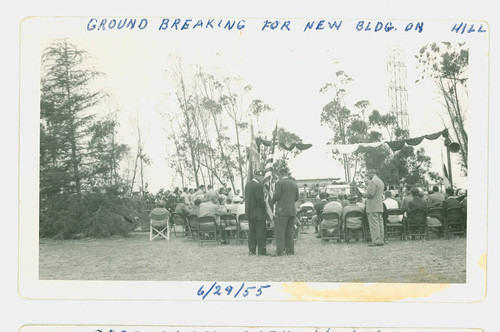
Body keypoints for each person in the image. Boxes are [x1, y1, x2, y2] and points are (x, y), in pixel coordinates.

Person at [272, 171, 299, 255]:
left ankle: (280, 250)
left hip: (281, 211)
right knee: (290, 232)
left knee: (280, 232)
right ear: (287, 175)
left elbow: (277, 196)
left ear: (280, 175)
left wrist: (270, 202)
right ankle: (290, 250)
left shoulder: (279, 183)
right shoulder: (294, 184)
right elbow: (297, 197)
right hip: (292, 211)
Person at [244, 170, 268, 256]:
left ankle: (252, 250)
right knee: (261, 232)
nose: (262, 178)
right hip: (258, 213)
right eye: (261, 176)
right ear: (257, 176)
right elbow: (259, 200)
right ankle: (261, 250)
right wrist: (265, 204)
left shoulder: (248, 185)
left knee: (252, 232)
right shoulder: (258, 186)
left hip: (250, 213)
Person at [365, 169, 385, 246]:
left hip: (372, 206)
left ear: (371, 174)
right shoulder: (380, 181)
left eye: (368, 174)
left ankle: (376, 241)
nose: (367, 176)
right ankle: (381, 239)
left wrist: (364, 194)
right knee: (380, 223)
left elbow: (370, 194)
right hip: (379, 205)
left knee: (374, 224)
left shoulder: (373, 182)